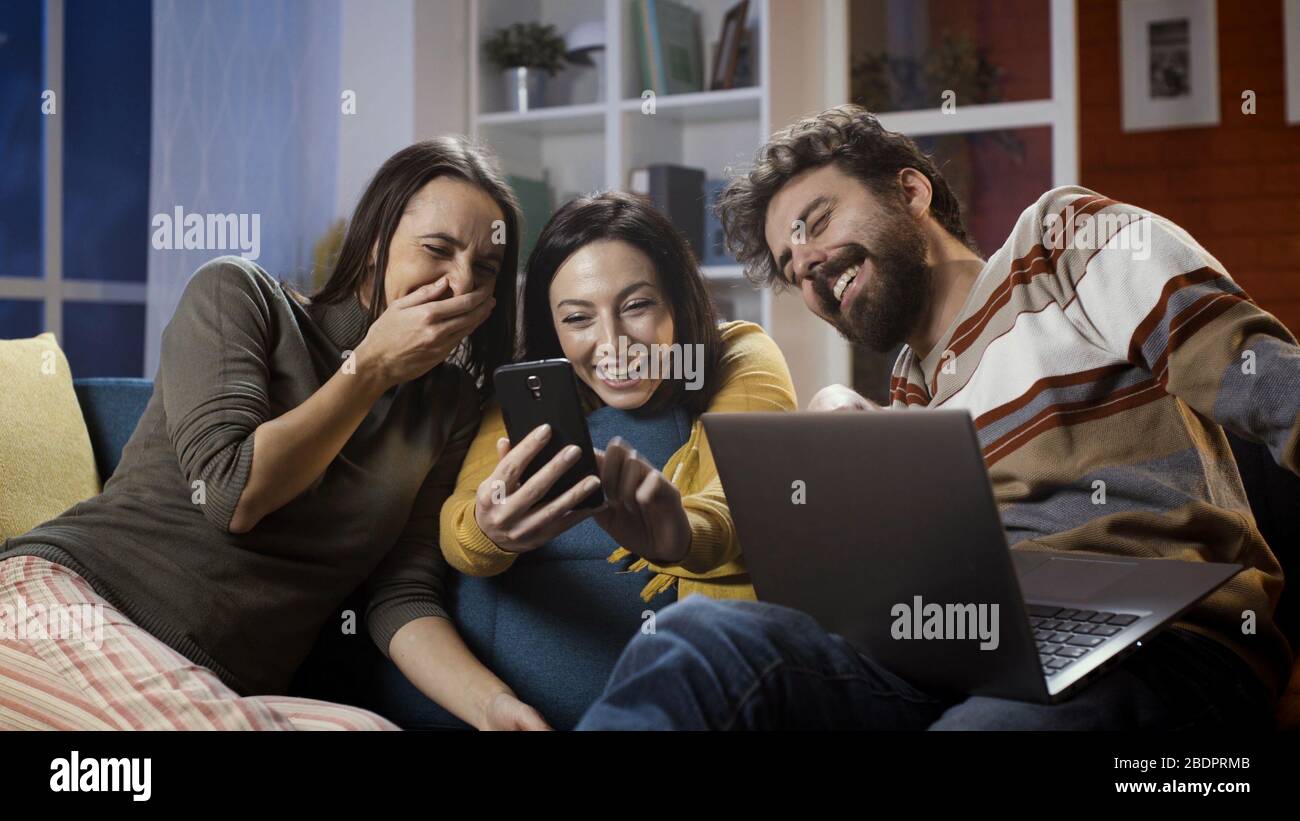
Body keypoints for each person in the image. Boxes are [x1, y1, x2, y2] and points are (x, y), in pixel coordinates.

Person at [575, 105, 1296, 730]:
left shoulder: (1060, 245)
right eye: (793, 267)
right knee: (695, 638)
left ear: (911, 191)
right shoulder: (909, 398)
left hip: (1164, 645)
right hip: (970, 654)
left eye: (816, 222)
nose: (810, 267)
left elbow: (1270, 384)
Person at [0, 137, 532, 730]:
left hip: (212, 691)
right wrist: (370, 369)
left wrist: (493, 706)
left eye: (485, 268)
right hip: (62, 608)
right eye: (438, 249)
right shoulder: (239, 296)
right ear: (377, 240)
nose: (461, 282)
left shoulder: (447, 407)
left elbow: (400, 596)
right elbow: (232, 495)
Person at [434, 192, 797, 728]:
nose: (613, 343)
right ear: (551, 328)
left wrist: (681, 536)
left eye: (636, 306)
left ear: (678, 299)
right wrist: (492, 529)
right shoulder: (532, 392)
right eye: (578, 318)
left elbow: (742, 498)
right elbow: (459, 522)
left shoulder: (737, 355)